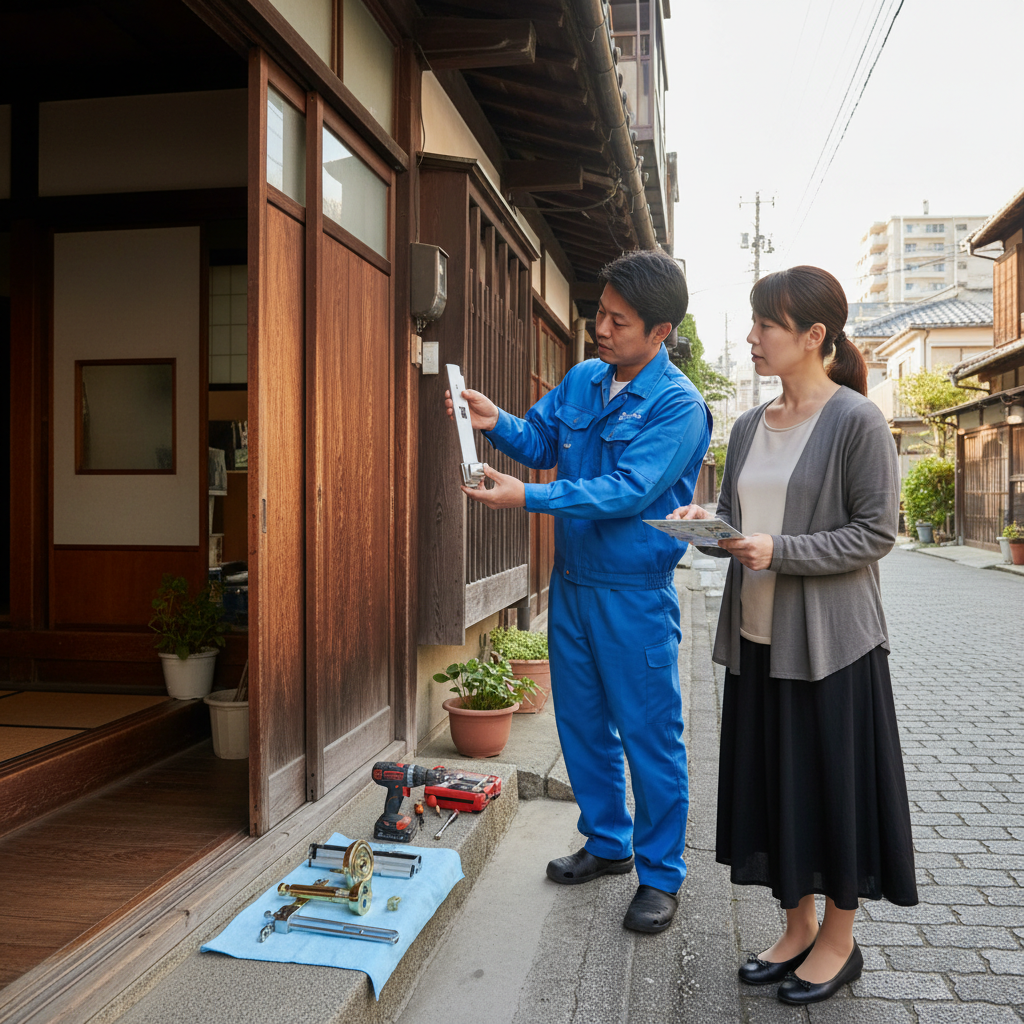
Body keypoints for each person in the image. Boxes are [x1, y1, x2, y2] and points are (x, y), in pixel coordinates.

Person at [670, 265, 917, 1005]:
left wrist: (778, 549)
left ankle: (839, 943)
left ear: (814, 337)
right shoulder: (748, 424)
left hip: (833, 647)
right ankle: (795, 927)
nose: (751, 337)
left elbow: (875, 534)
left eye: (765, 325)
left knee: (833, 791)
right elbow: (739, 524)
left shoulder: (856, 421)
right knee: (775, 787)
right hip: (756, 639)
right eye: (753, 323)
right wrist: (707, 529)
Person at [444, 249, 711, 932]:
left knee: (650, 736)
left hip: (634, 592)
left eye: (619, 321)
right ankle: (607, 843)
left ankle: (661, 875)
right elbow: (540, 441)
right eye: (600, 313)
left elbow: (629, 491)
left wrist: (527, 499)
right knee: (583, 725)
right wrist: (495, 420)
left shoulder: (679, 407)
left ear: (660, 333)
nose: (601, 329)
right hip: (574, 584)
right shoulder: (586, 378)